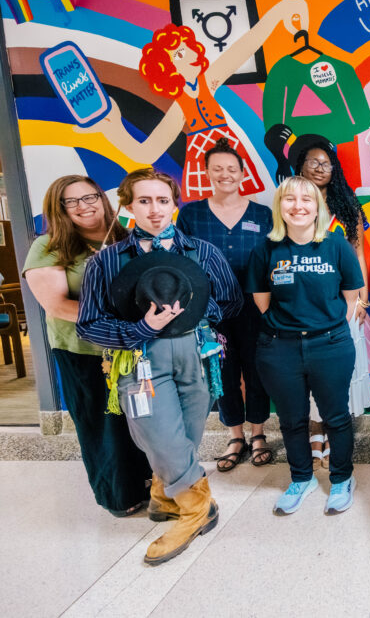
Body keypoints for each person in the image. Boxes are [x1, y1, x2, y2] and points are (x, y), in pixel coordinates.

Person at [77, 168, 241, 565]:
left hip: (197, 355)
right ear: (129, 206)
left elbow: (230, 300)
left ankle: (164, 493)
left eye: (163, 201)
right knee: (157, 433)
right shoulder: (109, 262)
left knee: (186, 431)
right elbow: (89, 323)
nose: (155, 211)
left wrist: (196, 314)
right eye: (145, 201)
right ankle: (198, 508)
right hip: (140, 358)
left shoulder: (202, 253)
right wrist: (140, 328)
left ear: (175, 204)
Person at [84, 0, 307, 201]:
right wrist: (112, 129)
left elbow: (245, 47)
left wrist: (279, 12)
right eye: (179, 55)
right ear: (167, 68)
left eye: (186, 49)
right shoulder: (180, 106)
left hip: (231, 153)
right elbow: (147, 152)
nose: (190, 55)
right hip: (202, 163)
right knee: (210, 215)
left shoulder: (208, 81)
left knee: (247, 207)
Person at [23, 176, 151, 517]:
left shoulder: (128, 237)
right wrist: (115, 320)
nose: (85, 205)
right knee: (103, 424)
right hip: (85, 353)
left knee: (140, 419)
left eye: (90, 196)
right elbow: (58, 306)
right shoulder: (48, 247)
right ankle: (119, 495)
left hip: (133, 348)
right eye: (72, 201)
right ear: (58, 207)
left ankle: (151, 481)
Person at [246, 177, 363, 515]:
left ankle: (341, 478)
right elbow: (263, 302)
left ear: (317, 208)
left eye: (306, 200)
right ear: (279, 207)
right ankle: (301, 477)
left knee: (336, 417)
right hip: (279, 348)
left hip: (330, 344)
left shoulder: (336, 245)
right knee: (291, 419)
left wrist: (318, 324)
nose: (298, 206)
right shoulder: (265, 249)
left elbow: (350, 295)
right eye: (289, 199)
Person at [177, 138, 274, 471]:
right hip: (210, 311)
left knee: (258, 371)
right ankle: (235, 435)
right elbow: (181, 263)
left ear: (243, 173)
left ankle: (259, 433)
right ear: (206, 173)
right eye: (217, 169)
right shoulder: (191, 215)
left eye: (232, 169)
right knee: (222, 373)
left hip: (256, 306)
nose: (225, 174)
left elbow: (275, 262)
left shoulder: (262, 215)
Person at [293, 135, 370, 465]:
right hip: (304, 302)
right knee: (309, 365)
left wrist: (362, 296)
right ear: (300, 167)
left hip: (345, 299)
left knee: (338, 367)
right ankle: (315, 425)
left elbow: (358, 252)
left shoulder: (348, 207)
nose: (320, 168)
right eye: (313, 162)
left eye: (326, 163)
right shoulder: (292, 206)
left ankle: (335, 424)